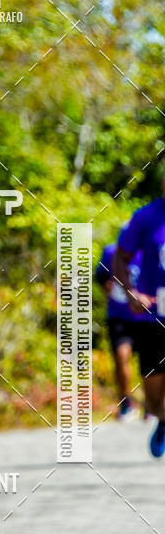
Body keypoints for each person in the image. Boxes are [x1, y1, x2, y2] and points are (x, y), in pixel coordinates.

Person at [115, 167, 165, 456]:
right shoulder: (145, 217)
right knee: (154, 397)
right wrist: (131, 292)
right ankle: (161, 418)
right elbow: (121, 259)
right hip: (152, 315)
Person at [95, 237, 141, 421]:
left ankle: (152, 406)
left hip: (146, 317)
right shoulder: (110, 251)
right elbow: (100, 276)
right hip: (119, 316)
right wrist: (112, 297)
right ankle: (126, 402)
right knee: (121, 356)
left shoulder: (149, 249)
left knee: (150, 364)